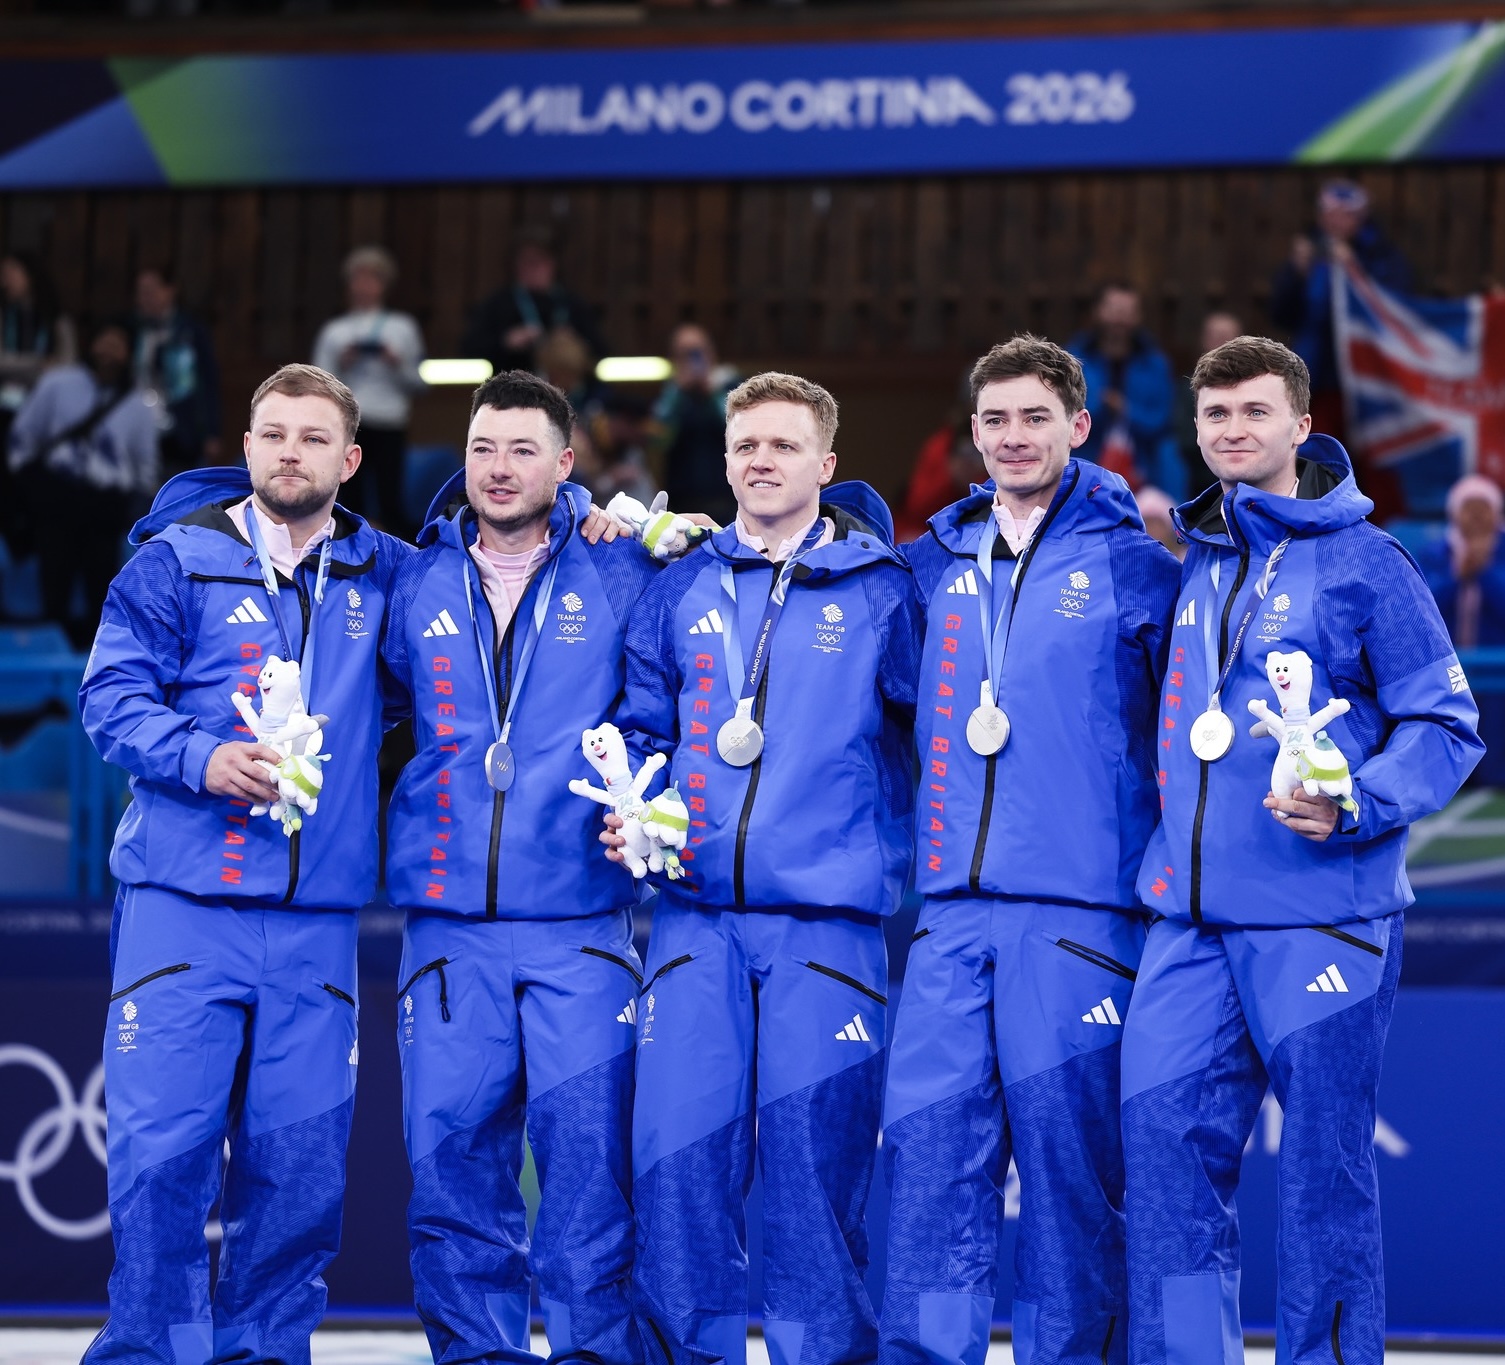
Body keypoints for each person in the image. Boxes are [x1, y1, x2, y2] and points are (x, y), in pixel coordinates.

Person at [1120, 336, 1482, 1365]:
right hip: (1189, 923)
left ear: (1298, 425)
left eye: (1253, 413)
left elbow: (1446, 725)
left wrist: (1358, 801)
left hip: (1322, 915)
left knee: (1322, 1175)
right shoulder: (1195, 560)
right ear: (1195, 430)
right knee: (1161, 1156)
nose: (1233, 432)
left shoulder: (1366, 562)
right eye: (1216, 417)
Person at [75, 364, 411, 1364]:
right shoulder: (173, 562)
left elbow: (500, 559)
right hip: (184, 905)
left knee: (298, 1177)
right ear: (248, 445)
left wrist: (579, 505)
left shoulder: (385, 573)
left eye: (313, 438)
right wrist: (200, 755)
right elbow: (110, 699)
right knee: (160, 1165)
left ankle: (264, 1356)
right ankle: (148, 1354)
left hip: (315, 917)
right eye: (272, 433)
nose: (289, 452)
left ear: (349, 460)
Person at [880, 336, 1181, 1365]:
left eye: (1034, 418)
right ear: (971, 435)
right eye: (994, 420)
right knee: (927, 1174)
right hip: (948, 918)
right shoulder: (922, 567)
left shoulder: (1141, 569)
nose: (1013, 438)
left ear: (1078, 428)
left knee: (1068, 1182)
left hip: (1079, 917)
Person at [610, 371, 921, 1365]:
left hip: (826, 925)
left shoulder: (882, 591)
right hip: (695, 924)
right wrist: (631, 809)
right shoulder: (679, 586)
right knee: (677, 1173)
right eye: (746, 445)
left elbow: (943, 739)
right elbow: (639, 727)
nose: (759, 461)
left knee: (809, 1182)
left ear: (825, 466)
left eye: (783, 446)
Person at [380, 370, 657, 1365]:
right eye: (484, 448)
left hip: (578, 923)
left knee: (589, 1184)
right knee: (455, 1187)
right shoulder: (410, 580)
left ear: (566, 464)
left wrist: (643, 801)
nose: (499, 470)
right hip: (449, 931)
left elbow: (661, 719)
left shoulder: (620, 574)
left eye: (523, 450)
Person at [9, 319, 158, 646]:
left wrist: (137, 512)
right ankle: (49, 657)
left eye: (117, 346)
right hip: (57, 498)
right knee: (54, 584)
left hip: (104, 506)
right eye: (104, 343)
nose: (108, 353)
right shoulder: (57, 384)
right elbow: (23, 437)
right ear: (91, 345)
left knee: (102, 589)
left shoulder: (138, 406)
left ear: (128, 355)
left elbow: (146, 468)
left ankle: (95, 661)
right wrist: (27, 492)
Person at [1270, 180, 1411, 448]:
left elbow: (1395, 308)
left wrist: (1355, 270)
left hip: (1370, 376)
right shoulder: (1310, 253)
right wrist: (1296, 275)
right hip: (1318, 375)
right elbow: (1282, 315)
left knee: (1373, 452)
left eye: (1345, 215)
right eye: (1329, 214)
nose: (1335, 222)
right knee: (1319, 447)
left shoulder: (1381, 256)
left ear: (1361, 217)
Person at [313, 246, 427, 540]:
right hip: (349, 426)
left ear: (384, 284)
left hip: (390, 422)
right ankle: (345, 555)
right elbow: (317, 386)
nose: (364, 286)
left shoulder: (403, 328)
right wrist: (342, 364)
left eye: (371, 279)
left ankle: (400, 558)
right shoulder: (334, 332)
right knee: (347, 499)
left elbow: (419, 382)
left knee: (391, 500)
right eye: (358, 279)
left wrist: (396, 364)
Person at [1418, 472, 1505, 785]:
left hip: (1497, 664)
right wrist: (1459, 575)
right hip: (1447, 663)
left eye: (1484, 508)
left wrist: (1483, 569)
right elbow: (1421, 606)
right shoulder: (1436, 552)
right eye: (1470, 508)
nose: (1477, 516)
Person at [1068, 283, 1184, 499]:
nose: (1119, 319)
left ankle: (1174, 520)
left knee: (1168, 453)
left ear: (1138, 316)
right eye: (1113, 309)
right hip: (1088, 449)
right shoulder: (1073, 359)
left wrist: (1126, 410)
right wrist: (1100, 407)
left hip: (1143, 456)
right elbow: (1065, 414)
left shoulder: (1155, 363)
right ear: (1098, 311)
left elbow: (1162, 419)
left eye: (1127, 311)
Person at [462, 227, 607, 379]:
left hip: (569, 393)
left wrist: (574, 342)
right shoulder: (498, 305)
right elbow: (469, 347)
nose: (533, 268)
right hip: (513, 390)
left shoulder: (572, 304)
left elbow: (601, 350)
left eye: (539, 260)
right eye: (526, 261)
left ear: (553, 263)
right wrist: (506, 342)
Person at [133, 264, 222, 480]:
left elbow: (208, 380)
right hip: (143, 423)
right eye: (141, 292)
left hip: (182, 427)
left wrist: (212, 431)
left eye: (152, 290)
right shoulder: (136, 330)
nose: (146, 298)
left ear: (170, 290)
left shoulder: (190, 330)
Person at [649, 323, 739, 528]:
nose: (692, 360)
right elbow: (657, 439)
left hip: (729, 502)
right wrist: (677, 392)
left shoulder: (731, 387)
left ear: (711, 353)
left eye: (697, 352)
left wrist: (712, 391)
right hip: (682, 503)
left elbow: (738, 428)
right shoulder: (672, 396)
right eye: (684, 354)